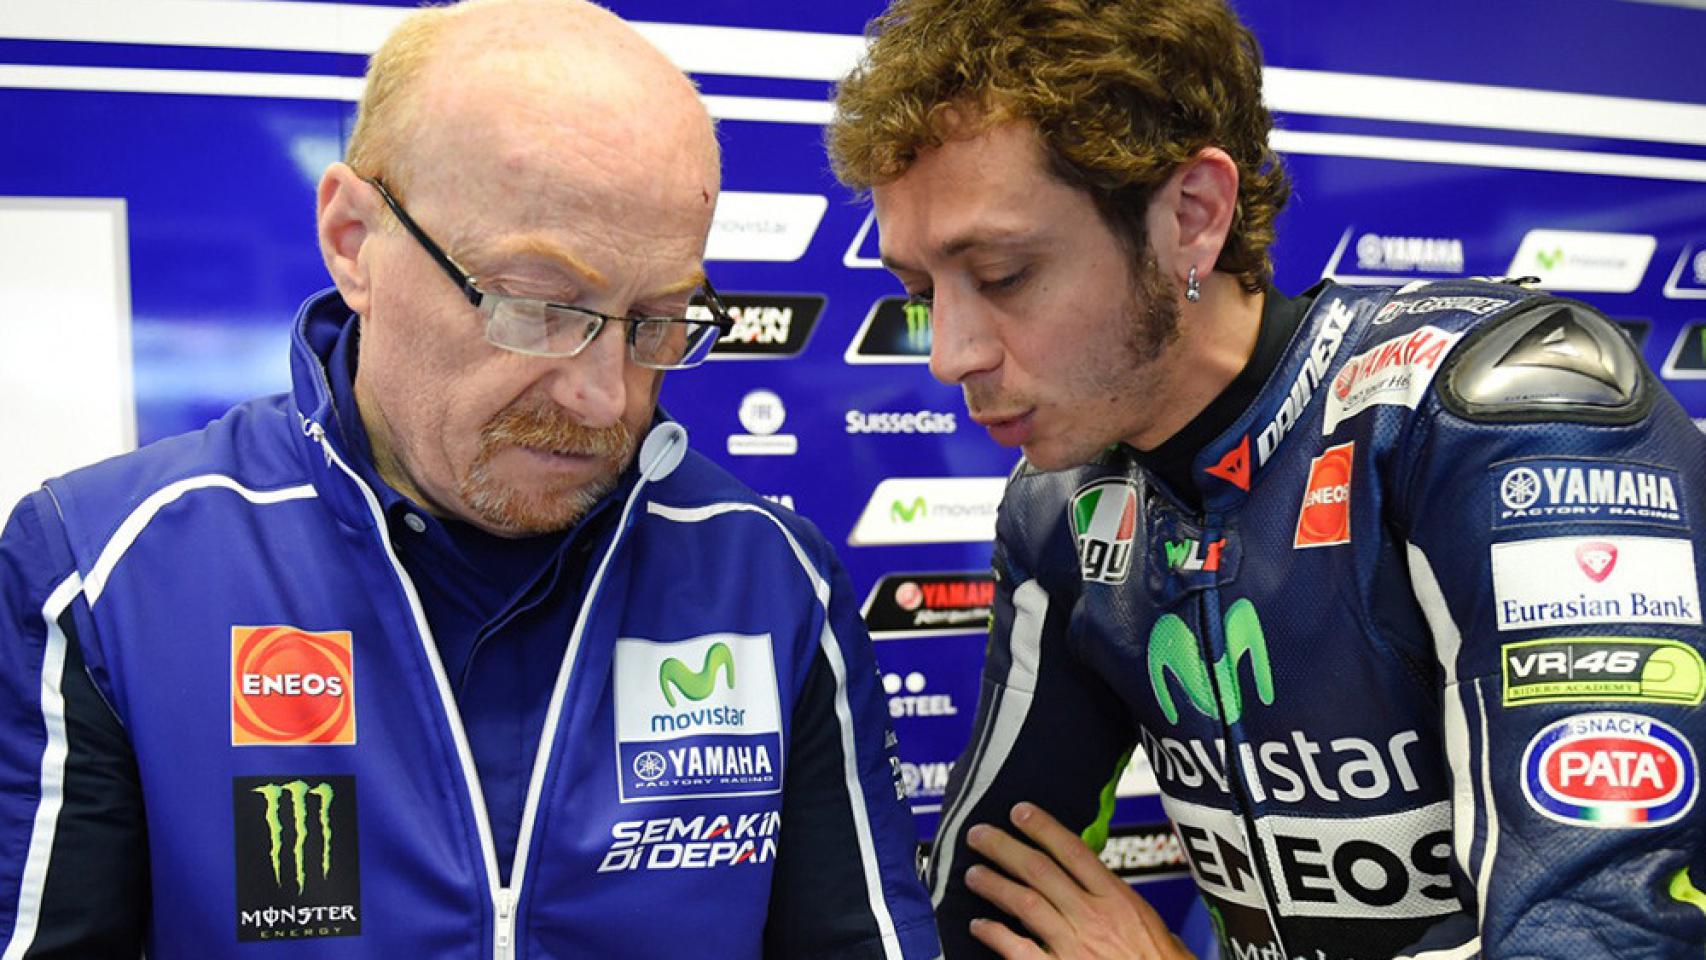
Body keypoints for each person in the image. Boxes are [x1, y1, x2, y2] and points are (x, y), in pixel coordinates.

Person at [0, 1, 941, 956]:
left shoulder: (768, 574)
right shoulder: (103, 572)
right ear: (353, 239)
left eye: (658, 319)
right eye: (540, 305)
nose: (604, 397)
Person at [828, 0, 1706, 957]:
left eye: (1000, 274)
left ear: (1192, 216)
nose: (948, 355)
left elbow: (1609, 934)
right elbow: (987, 891)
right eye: (921, 295)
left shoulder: (1499, 415)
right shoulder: (1063, 507)